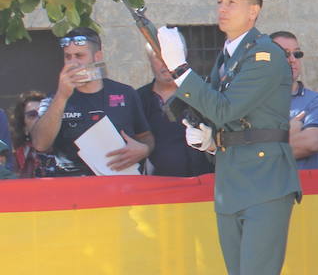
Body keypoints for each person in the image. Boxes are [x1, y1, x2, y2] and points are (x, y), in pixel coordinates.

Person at [157, 0, 300, 275]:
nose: (221, 9)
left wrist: (180, 71)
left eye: (231, 2)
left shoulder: (264, 53)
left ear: (254, 11)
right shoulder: (228, 55)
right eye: (219, 1)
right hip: (234, 180)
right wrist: (205, 134)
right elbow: (221, 117)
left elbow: (223, 108)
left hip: (264, 182)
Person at [29, 27, 152, 177]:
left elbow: (146, 136)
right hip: (73, 189)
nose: (72, 62)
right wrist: (62, 96)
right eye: (68, 57)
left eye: (79, 56)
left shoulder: (125, 93)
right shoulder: (53, 99)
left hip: (119, 186)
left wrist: (144, 149)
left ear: (97, 56)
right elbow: (40, 144)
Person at [137, 52, 214, 178]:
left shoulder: (204, 93)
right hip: (155, 187)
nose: (165, 63)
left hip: (202, 185)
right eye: (158, 57)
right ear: (149, 60)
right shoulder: (137, 99)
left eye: (169, 55)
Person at [270, 31, 318, 170]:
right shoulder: (253, 101)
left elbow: (312, 143)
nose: (292, 59)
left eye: (296, 54)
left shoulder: (316, 101)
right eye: (285, 54)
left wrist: (260, 152)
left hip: (308, 189)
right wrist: (288, 132)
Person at [10, 90, 50, 177]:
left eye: (44, 114)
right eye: (32, 115)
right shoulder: (13, 159)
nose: (39, 119)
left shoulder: (67, 154)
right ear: (24, 125)